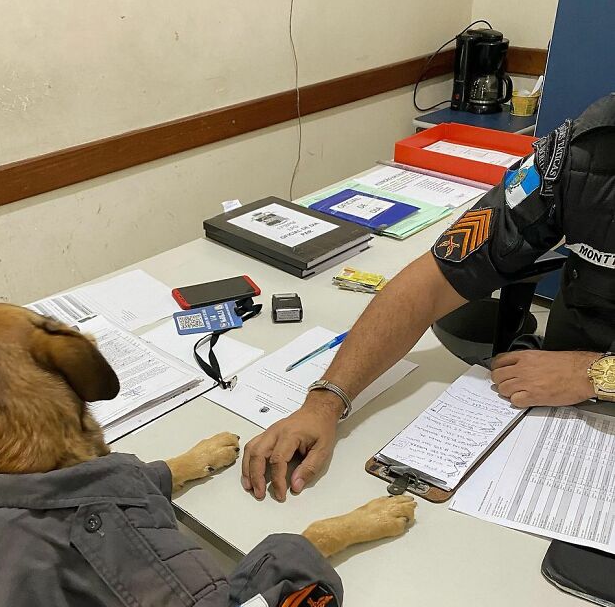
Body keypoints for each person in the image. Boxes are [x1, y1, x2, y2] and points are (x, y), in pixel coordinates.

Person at [241, 94, 615, 502]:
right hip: (565, 401)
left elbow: (589, 374)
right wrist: (326, 400)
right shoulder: (584, 153)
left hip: (580, 383)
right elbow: (433, 281)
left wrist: (595, 374)